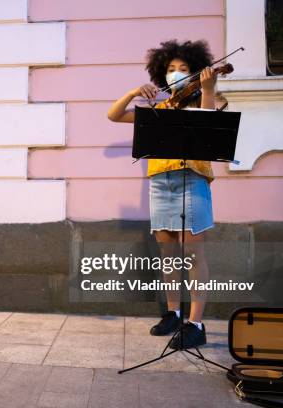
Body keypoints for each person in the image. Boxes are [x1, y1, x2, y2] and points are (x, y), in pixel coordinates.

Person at [106, 39, 219, 349]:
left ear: (196, 72)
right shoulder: (159, 108)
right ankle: (173, 313)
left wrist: (208, 89)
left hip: (191, 180)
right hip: (160, 183)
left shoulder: (206, 100)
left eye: (183, 69)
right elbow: (113, 115)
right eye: (170, 69)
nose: (176, 73)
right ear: (161, 73)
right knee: (168, 256)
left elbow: (209, 128)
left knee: (193, 254)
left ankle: (196, 323)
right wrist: (132, 93)